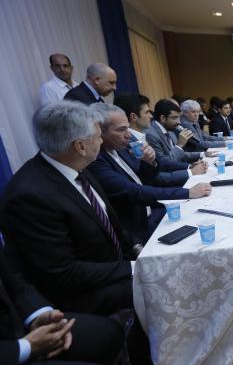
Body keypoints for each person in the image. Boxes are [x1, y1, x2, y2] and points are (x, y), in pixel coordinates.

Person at [0, 101, 133, 315]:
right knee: (164, 285)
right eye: (98, 136)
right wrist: (133, 268)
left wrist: (135, 247)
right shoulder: (29, 196)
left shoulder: (73, 163)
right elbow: (63, 272)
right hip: (78, 294)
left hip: (111, 267)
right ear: (80, 146)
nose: (101, 141)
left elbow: (108, 222)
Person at [0, 251, 124, 365]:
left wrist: (38, 315)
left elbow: (15, 282)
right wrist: (27, 347)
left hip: (12, 328)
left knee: (108, 334)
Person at [87, 103, 212, 245]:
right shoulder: (96, 160)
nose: (128, 134)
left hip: (155, 212)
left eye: (127, 127)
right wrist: (187, 192)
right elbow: (133, 191)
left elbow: (146, 179)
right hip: (139, 229)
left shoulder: (120, 148)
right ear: (100, 131)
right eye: (121, 130)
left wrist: (149, 162)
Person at [146, 99, 210, 164]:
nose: (179, 122)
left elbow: (181, 154)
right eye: (174, 118)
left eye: (179, 118)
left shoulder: (170, 129)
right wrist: (179, 145)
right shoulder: (151, 135)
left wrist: (203, 154)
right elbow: (165, 163)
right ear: (163, 118)